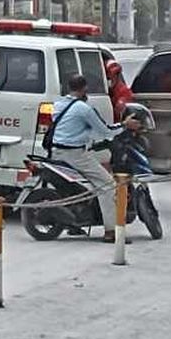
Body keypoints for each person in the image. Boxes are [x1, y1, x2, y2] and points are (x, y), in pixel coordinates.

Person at [50, 74, 120, 243]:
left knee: (80, 186)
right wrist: (125, 126)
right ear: (84, 89)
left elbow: (70, 127)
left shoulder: (58, 105)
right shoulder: (83, 108)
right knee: (107, 185)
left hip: (55, 151)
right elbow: (106, 131)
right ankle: (110, 231)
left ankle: (75, 225)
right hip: (75, 154)